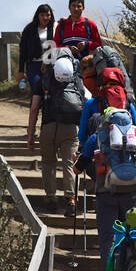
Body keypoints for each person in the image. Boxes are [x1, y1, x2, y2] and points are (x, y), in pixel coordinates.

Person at [76, 111, 136, 271]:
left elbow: (78, 169)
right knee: (129, 232)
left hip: (105, 192)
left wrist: (76, 163)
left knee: (108, 235)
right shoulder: (133, 137)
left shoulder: (96, 138)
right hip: (131, 191)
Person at [27, 49, 84, 212]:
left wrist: (30, 135)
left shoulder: (42, 80)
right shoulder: (77, 80)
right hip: (71, 129)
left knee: (48, 163)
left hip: (48, 127)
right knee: (69, 163)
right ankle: (71, 199)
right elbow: (85, 104)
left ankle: (51, 198)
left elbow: (34, 109)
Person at [18, 3, 56, 98]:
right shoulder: (29, 29)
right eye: (42, 15)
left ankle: (47, 112)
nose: (45, 18)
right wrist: (21, 71)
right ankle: (33, 111)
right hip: (34, 65)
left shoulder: (55, 27)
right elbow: (23, 51)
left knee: (50, 93)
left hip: (50, 65)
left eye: (48, 15)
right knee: (36, 92)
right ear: (37, 15)